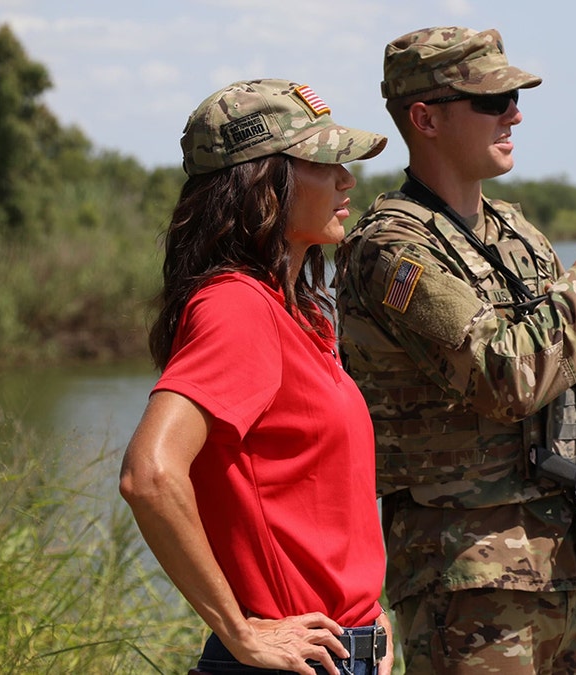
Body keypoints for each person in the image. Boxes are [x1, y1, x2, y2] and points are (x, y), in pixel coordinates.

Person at [333, 26, 576, 674]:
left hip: (561, 558)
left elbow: (575, 370)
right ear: (426, 117)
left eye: (514, 96)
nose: (515, 113)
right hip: (466, 574)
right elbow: (503, 377)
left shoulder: (514, 231)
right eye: (492, 99)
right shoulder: (392, 249)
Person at [119, 78, 394, 675]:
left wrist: (366, 611)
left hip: (344, 651)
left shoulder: (293, 312)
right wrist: (242, 633)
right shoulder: (237, 308)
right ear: (262, 185)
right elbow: (149, 475)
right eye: (323, 161)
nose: (347, 178)